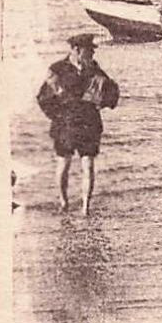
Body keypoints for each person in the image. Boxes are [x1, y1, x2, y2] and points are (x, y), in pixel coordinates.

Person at [37, 33, 119, 213]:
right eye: (89, 50)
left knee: (88, 165)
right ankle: (63, 201)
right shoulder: (57, 69)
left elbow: (111, 91)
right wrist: (57, 117)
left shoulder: (94, 68)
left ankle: (85, 207)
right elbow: (43, 98)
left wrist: (104, 102)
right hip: (65, 123)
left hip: (89, 122)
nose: (92, 54)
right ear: (76, 50)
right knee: (63, 164)